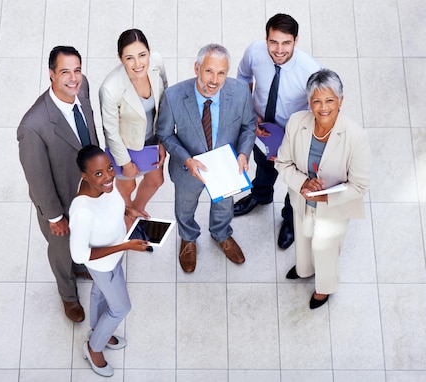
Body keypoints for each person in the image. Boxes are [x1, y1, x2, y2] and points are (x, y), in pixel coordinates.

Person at [274, 69, 370, 309]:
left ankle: (324, 289)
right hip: (302, 200)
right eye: (316, 101)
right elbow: (282, 163)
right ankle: (305, 270)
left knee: (324, 249)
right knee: (304, 240)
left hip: (334, 208)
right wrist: (303, 183)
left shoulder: (356, 136)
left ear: (341, 101)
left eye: (330, 100)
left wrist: (327, 196)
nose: (323, 107)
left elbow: (360, 185)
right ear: (309, 103)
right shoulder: (297, 122)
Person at [156, 43, 256, 273]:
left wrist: (243, 153)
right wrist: (186, 159)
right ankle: (188, 240)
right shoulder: (173, 96)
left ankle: (221, 234)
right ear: (196, 68)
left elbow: (249, 125)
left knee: (224, 206)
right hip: (189, 169)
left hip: (226, 167)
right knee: (185, 208)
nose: (214, 80)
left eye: (221, 73)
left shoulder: (240, 91)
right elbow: (165, 134)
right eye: (209, 71)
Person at [17, 46, 99, 323]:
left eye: (77, 70)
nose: (73, 79)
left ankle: (79, 265)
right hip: (61, 202)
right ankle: (68, 294)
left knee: (84, 237)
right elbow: (37, 178)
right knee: (61, 251)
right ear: (51, 74)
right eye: (65, 72)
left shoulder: (82, 87)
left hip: (87, 190)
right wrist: (55, 217)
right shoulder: (33, 126)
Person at [232, 13, 321, 251]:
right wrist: (250, 111)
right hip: (262, 129)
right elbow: (242, 77)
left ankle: (290, 220)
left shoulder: (310, 71)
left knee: (295, 184)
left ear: (296, 40)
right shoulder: (255, 52)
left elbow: (320, 112)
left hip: (295, 136)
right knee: (263, 165)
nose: (279, 49)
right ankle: (260, 195)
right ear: (266, 38)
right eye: (273, 42)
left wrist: (291, 142)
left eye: (286, 43)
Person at [69, 145, 150, 377]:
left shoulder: (107, 187)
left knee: (99, 293)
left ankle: (98, 331)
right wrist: (126, 246)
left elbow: (112, 204)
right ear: (84, 177)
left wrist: (129, 210)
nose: (108, 177)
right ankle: (93, 348)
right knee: (121, 308)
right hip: (104, 264)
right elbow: (79, 256)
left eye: (109, 169)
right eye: (98, 174)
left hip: (115, 255)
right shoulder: (83, 212)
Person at [99, 28, 168, 228]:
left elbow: (165, 101)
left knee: (156, 181)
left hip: (152, 141)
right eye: (129, 58)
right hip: (125, 145)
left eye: (142, 55)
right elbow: (110, 132)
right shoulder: (110, 89)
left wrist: (162, 140)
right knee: (127, 186)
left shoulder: (157, 63)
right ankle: (125, 216)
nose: (138, 64)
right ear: (120, 58)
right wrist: (126, 163)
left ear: (149, 52)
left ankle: (134, 212)